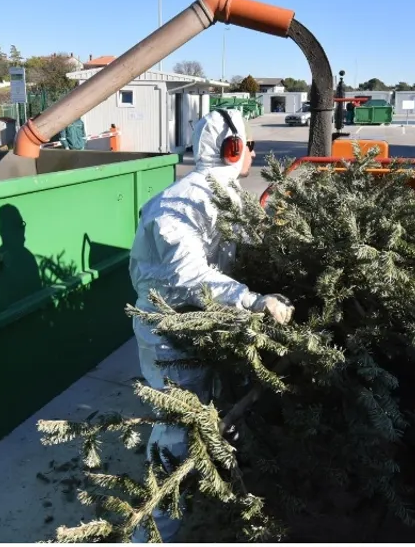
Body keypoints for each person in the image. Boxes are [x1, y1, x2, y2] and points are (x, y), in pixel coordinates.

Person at [126, 108, 293, 543]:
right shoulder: (180, 202)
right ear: (232, 148)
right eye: (248, 144)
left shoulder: (225, 193)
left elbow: (238, 253)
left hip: (210, 322)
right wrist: (253, 300)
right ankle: (157, 528)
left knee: (219, 405)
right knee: (177, 426)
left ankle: (213, 475)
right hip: (172, 328)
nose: (252, 152)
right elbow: (187, 275)